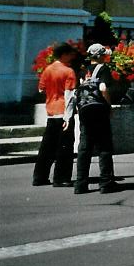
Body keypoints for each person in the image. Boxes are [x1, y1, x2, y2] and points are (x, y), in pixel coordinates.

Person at [72, 43, 119, 194]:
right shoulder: (103, 69)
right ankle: (106, 183)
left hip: (85, 111)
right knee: (104, 146)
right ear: (101, 56)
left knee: (84, 147)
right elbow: (103, 88)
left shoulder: (83, 71)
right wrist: (109, 106)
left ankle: (81, 184)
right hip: (99, 110)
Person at [32, 42, 78, 187]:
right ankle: (61, 178)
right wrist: (68, 117)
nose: (72, 56)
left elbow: (41, 89)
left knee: (47, 147)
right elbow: (70, 96)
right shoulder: (68, 71)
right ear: (64, 55)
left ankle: (40, 177)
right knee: (64, 147)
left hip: (51, 111)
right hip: (63, 111)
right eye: (70, 54)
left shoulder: (47, 70)